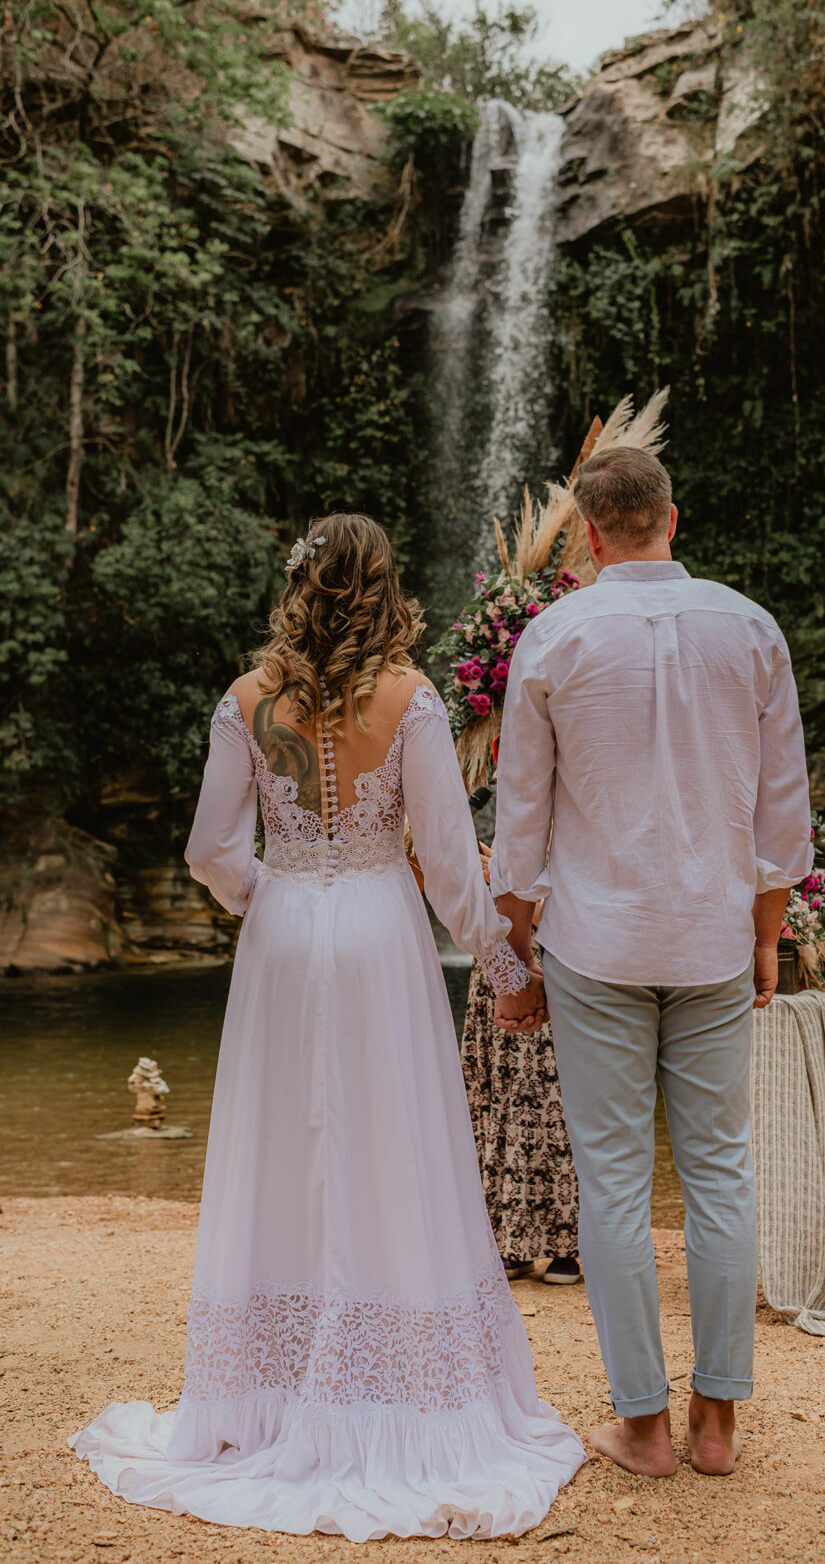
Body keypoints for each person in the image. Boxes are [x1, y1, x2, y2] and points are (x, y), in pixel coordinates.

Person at [70, 512, 584, 1540]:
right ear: (386, 590)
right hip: (381, 939)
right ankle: (391, 1390)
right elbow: (446, 862)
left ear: (298, 588)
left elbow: (212, 847)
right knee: (392, 1143)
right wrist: (507, 965)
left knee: (283, 1146)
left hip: (286, 936)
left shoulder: (246, 702)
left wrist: (274, 890)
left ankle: (262, 1390)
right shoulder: (413, 700)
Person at [489, 448, 812, 1479]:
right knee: (721, 1170)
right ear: (672, 517)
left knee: (615, 1182)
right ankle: (719, 1423)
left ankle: (644, 1427)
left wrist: (521, 955)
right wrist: (767, 933)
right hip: (715, 937)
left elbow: (521, 827)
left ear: (587, 535)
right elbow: (783, 815)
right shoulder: (751, 629)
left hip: (597, 944)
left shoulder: (552, 635)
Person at [461, 932, 581, 1285]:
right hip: (495, 960)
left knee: (552, 1095)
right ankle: (511, 1240)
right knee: (498, 1098)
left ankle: (566, 1243)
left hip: (552, 951)